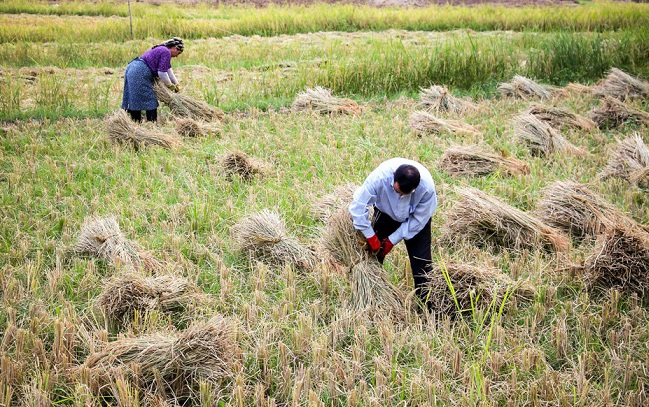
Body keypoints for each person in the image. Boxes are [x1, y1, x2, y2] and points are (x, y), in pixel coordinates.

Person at [349, 158, 438, 308]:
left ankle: (429, 307)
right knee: (372, 257)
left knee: (422, 265)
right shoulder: (379, 178)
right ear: (394, 175)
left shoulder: (427, 188)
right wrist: (371, 237)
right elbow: (357, 208)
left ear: (414, 189)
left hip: (415, 220)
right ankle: (372, 298)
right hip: (385, 214)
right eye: (396, 191)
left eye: (404, 194)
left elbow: (419, 220)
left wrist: (391, 240)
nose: (399, 196)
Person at [121, 37, 184, 123]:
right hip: (139, 71)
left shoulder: (163, 50)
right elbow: (162, 73)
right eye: (178, 53)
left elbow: (169, 72)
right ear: (175, 48)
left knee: (134, 97)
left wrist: (177, 84)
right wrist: (170, 85)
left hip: (133, 68)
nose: (177, 56)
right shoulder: (166, 52)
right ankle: (151, 123)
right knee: (149, 99)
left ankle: (136, 123)